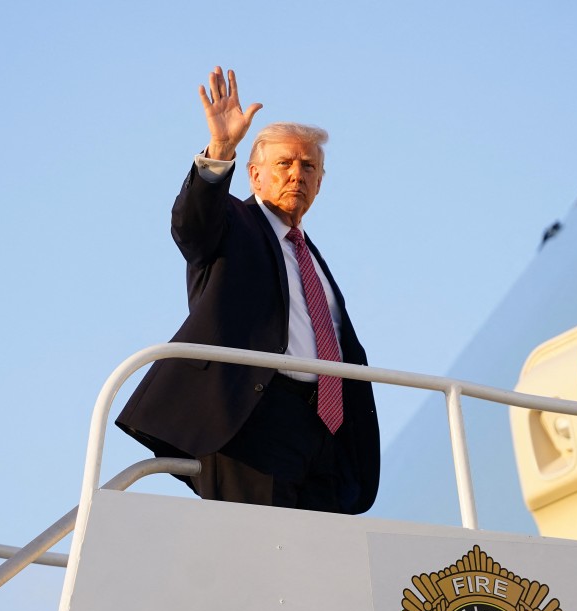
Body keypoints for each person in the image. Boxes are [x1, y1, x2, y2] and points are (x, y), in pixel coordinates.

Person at [115, 66, 379, 514]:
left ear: (321, 182)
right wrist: (220, 151)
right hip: (252, 418)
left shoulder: (311, 257)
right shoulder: (234, 225)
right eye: (284, 164)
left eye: (308, 166)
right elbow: (192, 227)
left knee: (322, 566)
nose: (297, 174)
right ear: (254, 177)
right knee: (263, 560)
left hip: (321, 430)